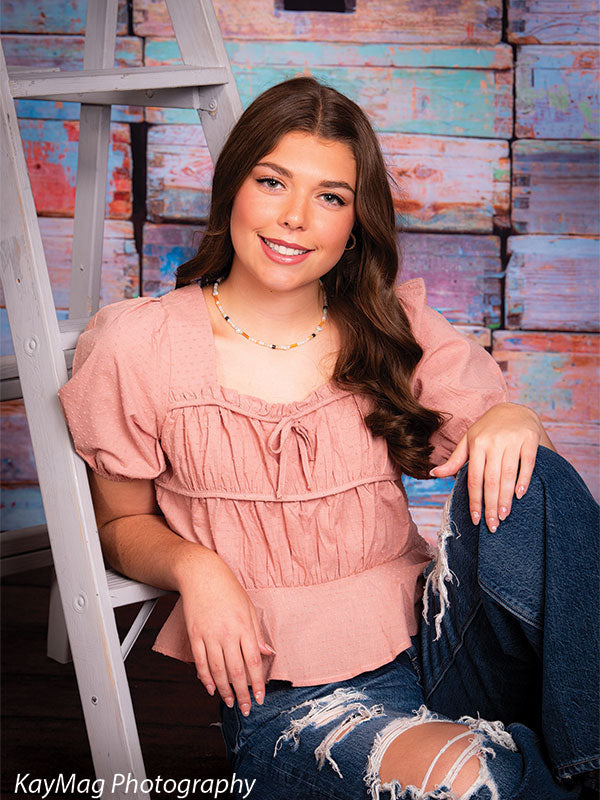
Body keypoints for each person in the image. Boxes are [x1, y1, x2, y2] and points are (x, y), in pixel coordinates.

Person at [58, 77, 598, 800]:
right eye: (272, 182)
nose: (295, 218)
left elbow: (517, 478)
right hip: (297, 699)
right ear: (232, 186)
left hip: (441, 645)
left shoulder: (386, 324)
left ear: (355, 223)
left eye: (331, 197)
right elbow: (119, 521)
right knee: (476, 782)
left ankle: (588, 756)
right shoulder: (142, 345)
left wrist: (512, 418)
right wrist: (196, 567)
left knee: (540, 476)